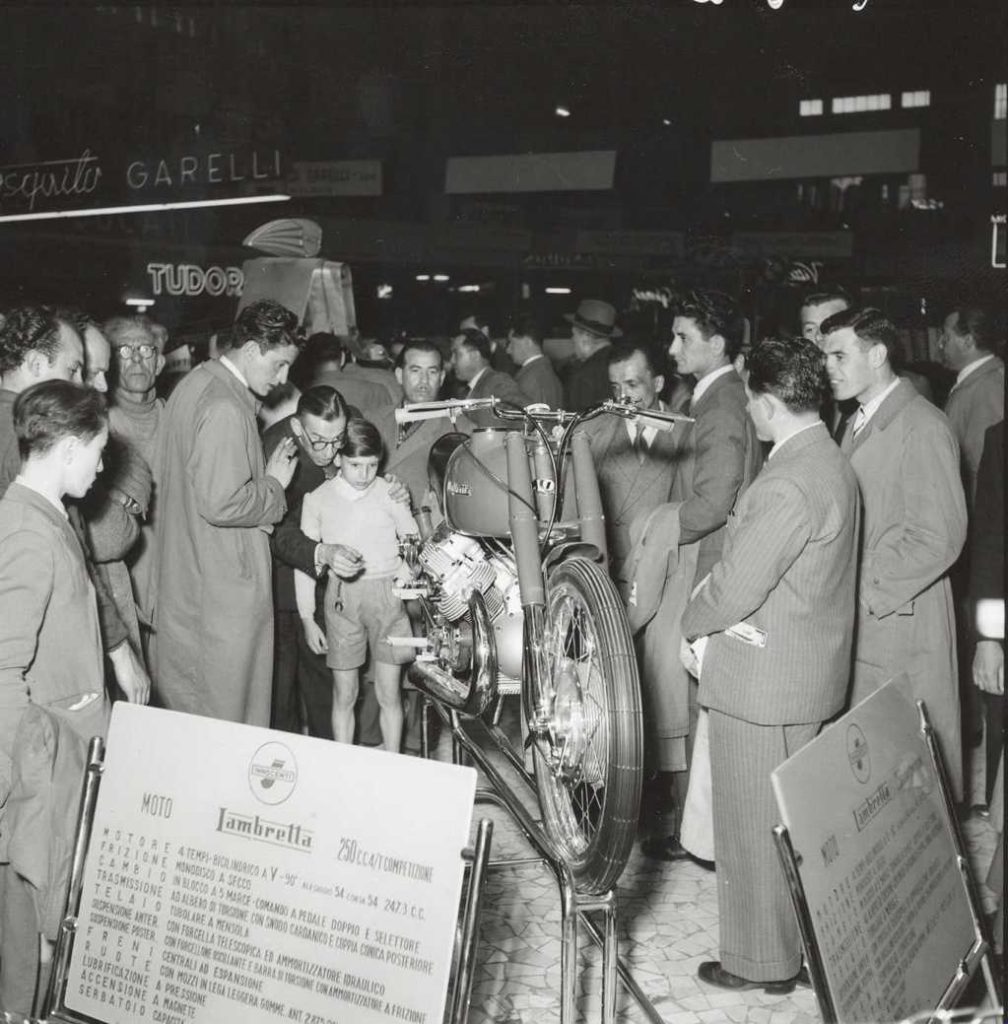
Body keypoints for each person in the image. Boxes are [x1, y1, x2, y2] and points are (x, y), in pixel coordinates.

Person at [681, 335, 859, 995]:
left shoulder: (787, 481)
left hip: (761, 686)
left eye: (750, 396)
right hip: (806, 673)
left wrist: (691, 623)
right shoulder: (830, 460)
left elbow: (734, 588)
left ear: (768, 403)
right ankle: (798, 949)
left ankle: (762, 962)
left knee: (752, 826)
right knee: (793, 826)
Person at [0, 381, 117, 1012]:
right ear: (69, 448)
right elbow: (0, 668)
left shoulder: (43, 515)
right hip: (43, 770)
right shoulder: (27, 530)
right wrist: (18, 792)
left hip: (62, 756)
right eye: (97, 452)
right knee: (32, 936)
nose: (102, 467)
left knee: (46, 932)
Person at [821, 306, 968, 799]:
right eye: (827, 357)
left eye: (840, 355)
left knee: (911, 782)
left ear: (878, 354)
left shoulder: (921, 425)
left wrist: (859, 587)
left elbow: (939, 535)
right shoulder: (857, 421)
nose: (830, 368)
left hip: (900, 619)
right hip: (874, 624)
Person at [150, 299, 300, 726]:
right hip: (219, 594)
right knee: (226, 719)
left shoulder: (196, 384)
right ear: (251, 350)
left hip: (191, 580)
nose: (284, 379)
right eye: (280, 365)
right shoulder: (226, 408)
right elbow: (223, 502)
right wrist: (274, 485)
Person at [0, 305, 149, 704]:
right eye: (73, 369)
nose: (85, 386)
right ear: (33, 364)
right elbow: (78, 552)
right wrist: (119, 649)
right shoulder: (27, 441)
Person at [578, 340, 688, 853]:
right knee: (603, 705)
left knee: (659, 707)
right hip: (606, 588)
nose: (623, 397)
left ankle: (662, 818)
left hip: (660, 589)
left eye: (635, 385)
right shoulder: (592, 434)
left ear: (659, 385)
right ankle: (599, 810)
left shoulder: (685, 436)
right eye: (615, 386)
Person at [295, 417, 419, 751]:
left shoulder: (389, 492)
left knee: (388, 693)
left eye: (372, 465)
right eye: (355, 465)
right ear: (338, 458)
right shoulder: (318, 499)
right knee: (344, 692)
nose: (364, 475)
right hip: (341, 601)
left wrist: (402, 581)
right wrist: (307, 617)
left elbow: (412, 540)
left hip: (386, 597)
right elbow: (307, 562)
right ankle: (343, 763)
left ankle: (393, 762)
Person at [264, 385, 362, 737]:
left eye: (338, 440)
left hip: (327, 587)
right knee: (280, 695)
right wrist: (320, 552)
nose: (331, 451)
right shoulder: (274, 448)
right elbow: (274, 530)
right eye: (319, 441)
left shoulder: (345, 433)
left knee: (326, 691)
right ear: (296, 427)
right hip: (279, 586)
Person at [104, 314, 166, 631]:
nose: (137, 359)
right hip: (126, 559)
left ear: (160, 362)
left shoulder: (174, 416)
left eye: (146, 350)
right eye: (124, 351)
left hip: (173, 560)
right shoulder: (102, 422)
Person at [938, 301, 1004, 505]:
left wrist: (978, 531)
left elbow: (984, 471)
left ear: (967, 341)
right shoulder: (978, 382)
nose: (940, 343)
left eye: (946, 337)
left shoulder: (988, 387)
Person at [448, 328, 529, 429]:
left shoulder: (497, 382)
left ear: (475, 355)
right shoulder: (468, 390)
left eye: (456, 354)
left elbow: (527, 419)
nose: (452, 361)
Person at [563, 299, 622, 411]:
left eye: (573, 334)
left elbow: (577, 425)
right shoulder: (622, 361)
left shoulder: (583, 376)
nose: (572, 339)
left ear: (585, 337)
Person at [506, 314, 564, 409]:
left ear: (527, 342)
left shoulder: (531, 379)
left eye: (511, 343)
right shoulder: (546, 372)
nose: (508, 350)